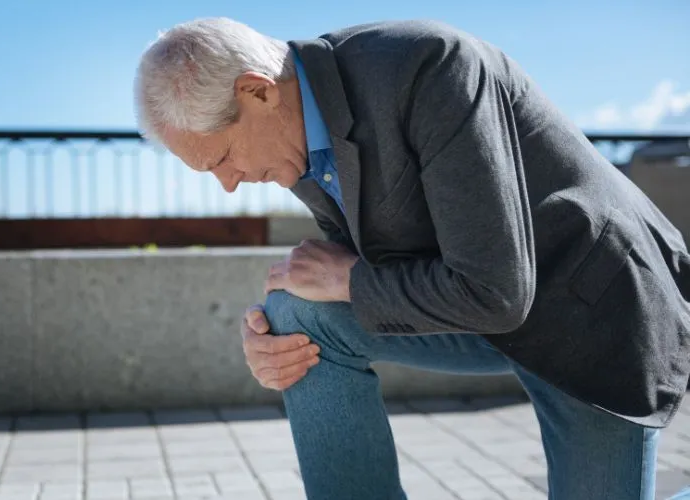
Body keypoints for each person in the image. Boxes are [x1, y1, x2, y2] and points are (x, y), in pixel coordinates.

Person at [133, 17, 690, 500]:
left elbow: (495, 291)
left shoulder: (430, 67)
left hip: (592, 310)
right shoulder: (297, 139)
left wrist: (350, 278)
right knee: (295, 316)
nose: (229, 186)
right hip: (483, 308)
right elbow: (376, 269)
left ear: (258, 92)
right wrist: (272, 343)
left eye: (223, 159)